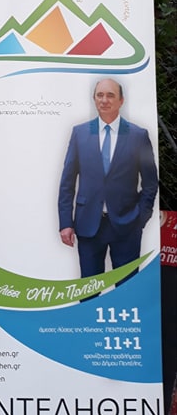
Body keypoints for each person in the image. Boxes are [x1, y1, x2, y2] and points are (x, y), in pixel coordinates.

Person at [58, 78, 158, 280]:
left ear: (121, 101)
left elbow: (150, 182)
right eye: (100, 95)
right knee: (89, 289)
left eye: (110, 95)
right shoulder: (80, 133)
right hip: (88, 225)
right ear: (94, 99)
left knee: (127, 287)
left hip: (126, 226)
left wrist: (140, 218)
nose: (104, 100)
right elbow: (67, 182)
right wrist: (66, 222)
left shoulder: (138, 136)